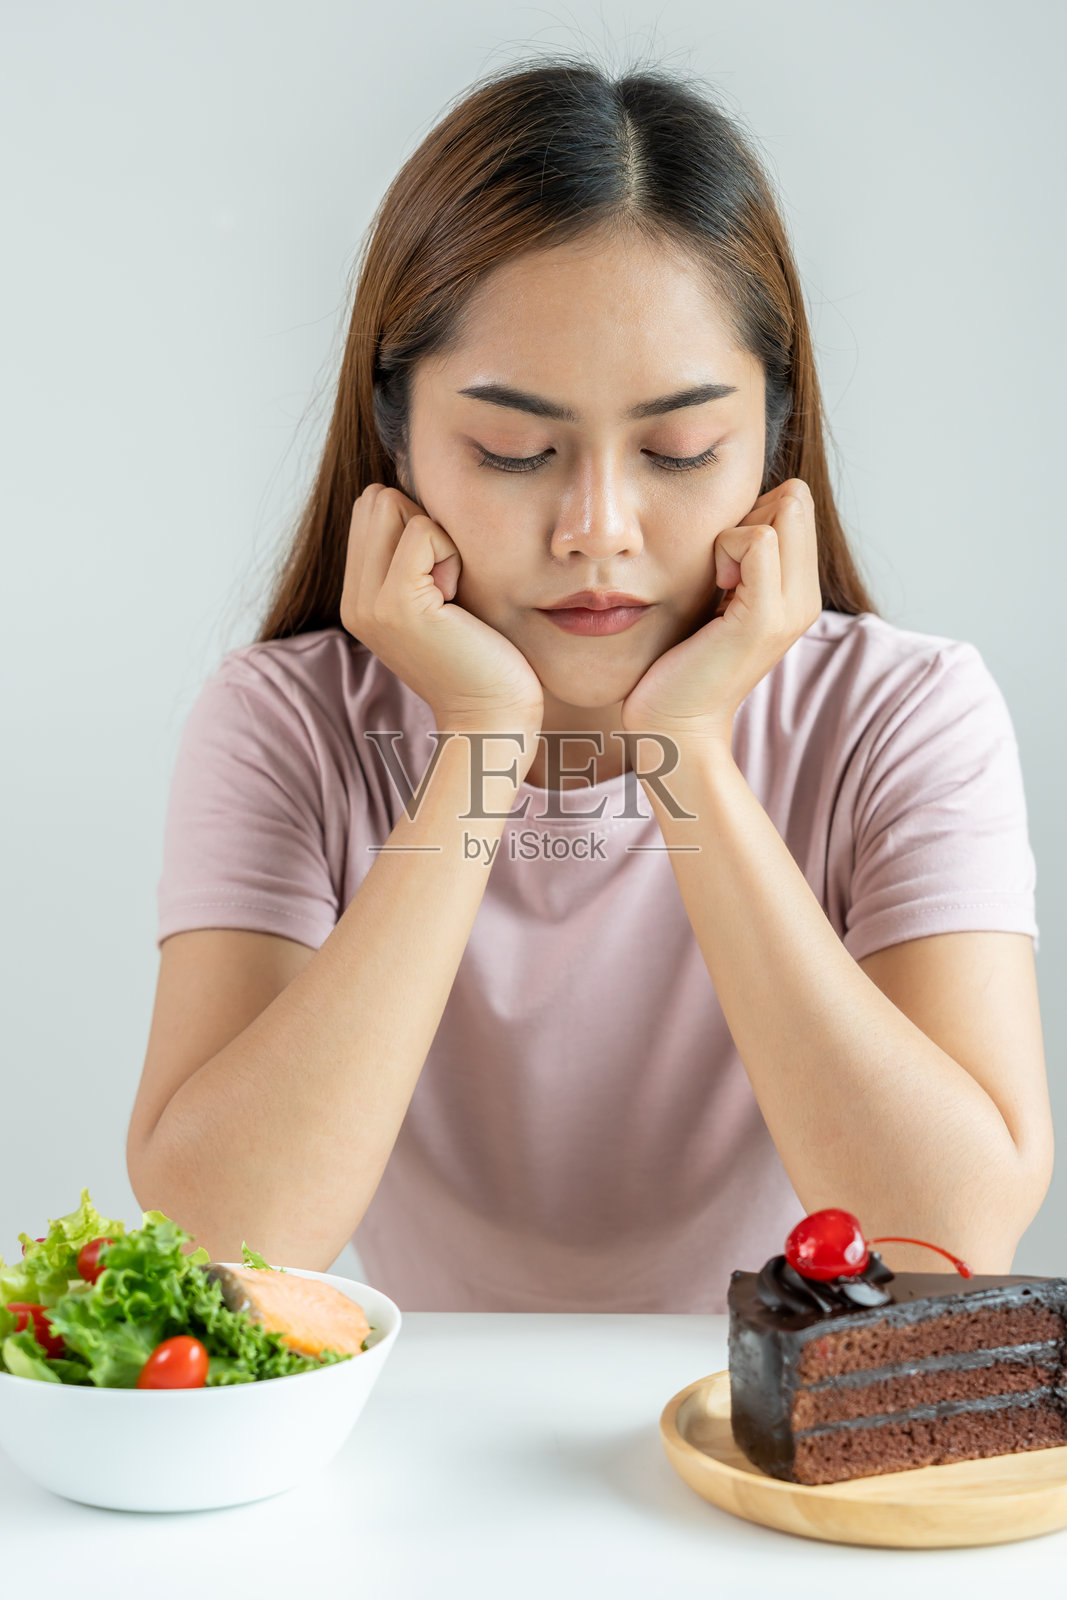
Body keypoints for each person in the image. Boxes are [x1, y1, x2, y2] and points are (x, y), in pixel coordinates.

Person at [127, 55, 1052, 1313]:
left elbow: (947, 1237)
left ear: (770, 439)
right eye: (514, 450)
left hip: (776, 1420)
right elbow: (225, 1237)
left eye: (679, 449)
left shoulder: (901, 713)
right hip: (425, 1424)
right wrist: (481, 735)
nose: (597, 529)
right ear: (397, 440)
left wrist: (686, 746)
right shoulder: (290, 721)